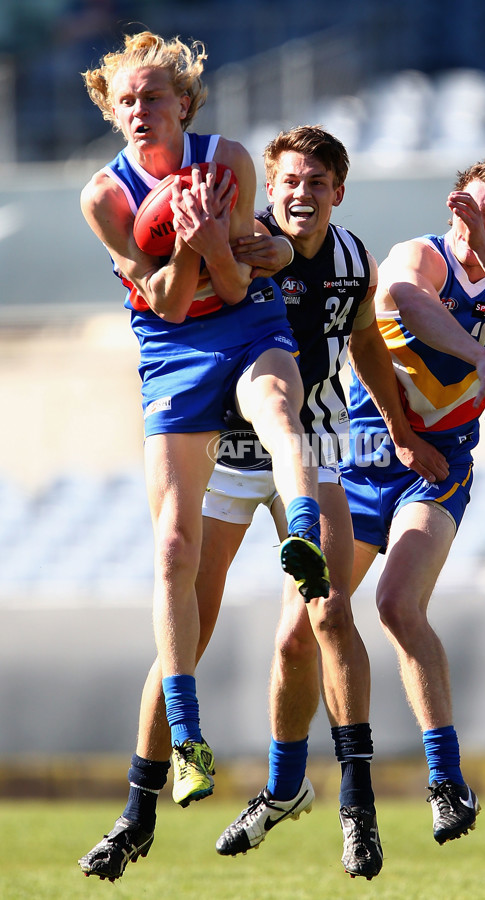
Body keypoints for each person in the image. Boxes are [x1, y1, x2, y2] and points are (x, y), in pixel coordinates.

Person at [78, 124, 447, 882]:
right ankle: (137, 812)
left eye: (317, 183)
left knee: (329, 615)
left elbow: (366, 347)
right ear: (266, 191)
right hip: (223, 447)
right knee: (189, 627)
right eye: (288, 183)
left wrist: (403, 433)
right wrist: (234, 248)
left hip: (311, 446)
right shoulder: (249, 232)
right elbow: (204, 285)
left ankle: (357, 806)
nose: (300, 194)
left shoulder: (354, 260)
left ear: (338, 193)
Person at [76, 32, 330, 879]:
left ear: (185, 103)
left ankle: (305, 537)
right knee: (174, 548)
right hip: (170, 345)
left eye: (157, 96)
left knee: (278, 410)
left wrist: (228, 245)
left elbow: (232, 287)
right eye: (128, 101)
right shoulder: (104, 196)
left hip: (243, 321)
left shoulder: (227, 160)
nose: (143, 110)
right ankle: (186, 740)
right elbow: (172, 298)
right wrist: (190, 243)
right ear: (112, 113)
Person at [340, 158, 485, 845]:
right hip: (366, 457)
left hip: (437, 468)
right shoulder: (419, 255)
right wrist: (483, 358)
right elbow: (405, 299)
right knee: (307, 620)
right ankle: (322, 792)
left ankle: (445, 777)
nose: (471, 221)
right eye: (468, 205)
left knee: (397, 605)